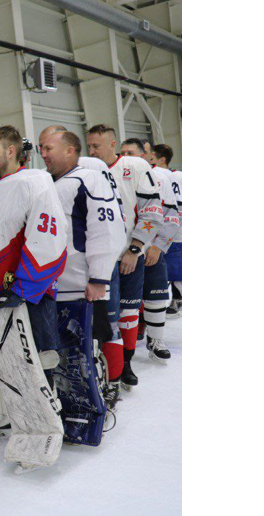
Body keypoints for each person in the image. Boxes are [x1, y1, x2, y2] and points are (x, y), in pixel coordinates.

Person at [0, 125, 68, 473]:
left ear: (11, 151)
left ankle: (43, 430)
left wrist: (22, 286)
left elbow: (48, 236)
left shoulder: (35, 182)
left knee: (33, 361)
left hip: (23, 294)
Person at [40, 129, 127, 408]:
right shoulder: (48, 183)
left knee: (87, 350)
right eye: (40, 148)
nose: (43, 153)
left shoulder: (88, 179)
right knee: (62, 355)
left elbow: (107, 230)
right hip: (52, 286)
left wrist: (99, 277)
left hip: (82, 285)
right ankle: (69, 406)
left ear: (70, 150)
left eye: (49, 147)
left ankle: (95, 403)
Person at [86, 125, 164, 390]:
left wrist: (134, 249)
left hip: (128, 255)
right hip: (100, 260)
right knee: (106, 317)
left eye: (97, 146)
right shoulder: (87, 170)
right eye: (89, 146)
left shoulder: (134, 166)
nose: (92, 151)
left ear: (112, 144)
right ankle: (107, 368)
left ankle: (126, 363)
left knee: (129, 311)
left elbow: (152, 210)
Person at [119, 140, 181, 363]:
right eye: (123, 153)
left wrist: (157, 246)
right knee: (127, 303)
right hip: (123, 251)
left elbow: (172, 215)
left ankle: (156, 340)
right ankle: (123, 351)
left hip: (150, 249)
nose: (127, 157)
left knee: (155, 297)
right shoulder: (112, 174)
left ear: (147, 156)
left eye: (132, 153)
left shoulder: (160, 177)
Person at [148, 145, 183, 317]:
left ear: (162, 159)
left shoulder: (174, 176)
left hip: (174, 230)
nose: (149, 159)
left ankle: (177, 299)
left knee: (175, 270)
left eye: (153, 156)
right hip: (163, 229)